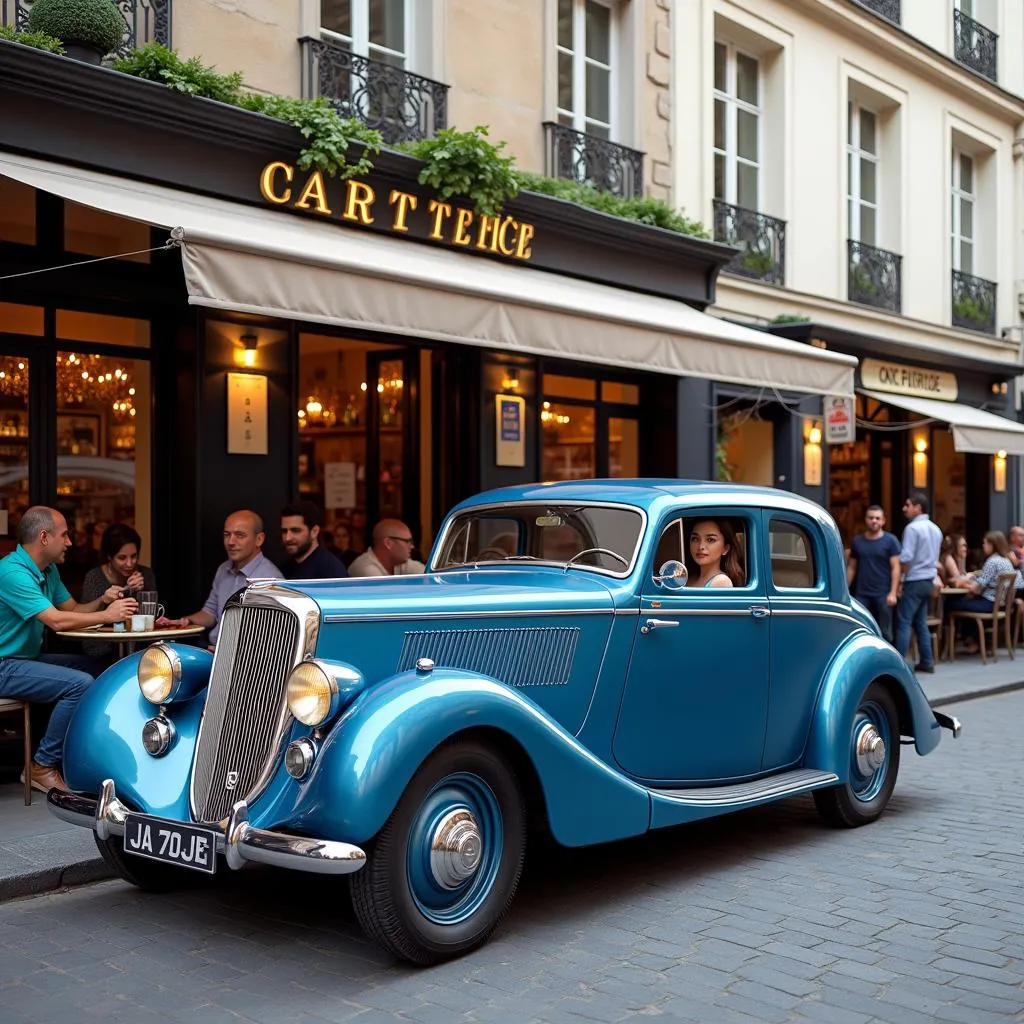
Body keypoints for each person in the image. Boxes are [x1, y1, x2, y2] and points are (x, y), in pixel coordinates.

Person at [0, 506, 136, 792]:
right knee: (79, 684)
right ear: (44, 537)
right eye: (65, 535)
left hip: (24, 659)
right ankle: (41, 765)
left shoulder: (47, 571)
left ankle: (95, 751)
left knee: (102, 670)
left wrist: (102, 599)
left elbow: (72, 609)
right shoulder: (11, 572)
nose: (70, 542)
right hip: (4, 665)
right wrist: (107, 616)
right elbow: (56, 621)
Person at [168, 510, 281, 645]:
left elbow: (270, 636)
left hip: (245, 659)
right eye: (227, 535)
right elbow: (210, 613)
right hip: (214, 650)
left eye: (240, 535)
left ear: (259, 539)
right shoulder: (223, 569)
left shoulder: (271, 579)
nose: (230, 542)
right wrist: (185, 621)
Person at [80, 523, 157, 661]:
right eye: (122, 558)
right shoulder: (95, 577)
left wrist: (142, 591)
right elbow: (83, 619)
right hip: (101, 649)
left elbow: (153, 618)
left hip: (139, 650)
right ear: (109, 556)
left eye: (134, 556)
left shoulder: (145, 574)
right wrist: (104, 600)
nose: (129, 563)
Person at [945, 530, 1018, 654]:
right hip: (1000, 604)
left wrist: (964, 583)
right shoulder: (1006, 561)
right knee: (965, 603)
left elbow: (976, 588)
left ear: (992, 544)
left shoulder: (992, 561)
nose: (983, 546)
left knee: (951, 603)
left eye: (985, 543)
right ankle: (973, 640)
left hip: (989, 603)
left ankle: (949, 645)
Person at [895, 492, 943, 674]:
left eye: (908, 505)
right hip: (928, 580)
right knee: (921, 622)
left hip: (914, 580)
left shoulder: (912, 529)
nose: (904, 509)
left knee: (904, 621)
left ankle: (899, 664)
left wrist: (900, 579)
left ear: (918, 508)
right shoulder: (936, 529)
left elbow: (906, 558)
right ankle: (927, 660)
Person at [846, 505, 901, 642]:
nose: (874, 521)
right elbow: (852, 567)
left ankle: (887, 662)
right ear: (865, 520)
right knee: (860, 629)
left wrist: (893, 593)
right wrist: (845, 590)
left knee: (885, 632)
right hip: (862, 594)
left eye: (877, 518)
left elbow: (896, 567)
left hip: (883, 594)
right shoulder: (857, 541)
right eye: (871, 518)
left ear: (883, 521)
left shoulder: (890, 541)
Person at [280, 502, 348, 580]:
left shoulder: (331, 570)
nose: (288, 538)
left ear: (314, 532)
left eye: (295, 531)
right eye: (284, 531)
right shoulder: (286, 568)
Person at [348, 519, 426, 577]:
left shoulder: (398, 562)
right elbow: (389, 596)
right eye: (407, 541)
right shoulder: (365, 568)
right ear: (388, 543)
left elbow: (430, 576)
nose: (412, 546)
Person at [685, 518, 743, 588]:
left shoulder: (721, 582)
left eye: (710, 540)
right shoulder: (691, 578)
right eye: (695, 539)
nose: (701, 546)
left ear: (725, 548)